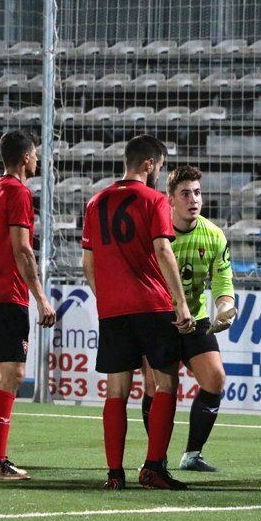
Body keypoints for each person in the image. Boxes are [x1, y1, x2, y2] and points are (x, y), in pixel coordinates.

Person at [82, 134, 195, 490]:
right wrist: (181, 302)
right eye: (160, 166)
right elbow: (163, 250)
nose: (160, 172)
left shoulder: (95, 202)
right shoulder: (154, 199)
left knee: (115, 389)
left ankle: (115, 474)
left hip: (113, 309)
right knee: (166, 382)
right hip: (151, 304)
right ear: (148, 164)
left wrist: (108, 298)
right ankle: (152, 469)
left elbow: (88, 262)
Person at [0, 130, 56, 480]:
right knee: (14, 374)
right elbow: (23, 249)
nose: (37, 160)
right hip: (9, 295)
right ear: (25, 158)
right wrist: (41, 297)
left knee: (1, 375)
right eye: (35, 155)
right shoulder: (18, 192)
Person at [140, 165, 237, 472]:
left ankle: (192, 455)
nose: (193, 199)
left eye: (197, 192)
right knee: (155, 387)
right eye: (185, 194)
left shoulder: (214, 235)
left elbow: (223, 283)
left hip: (195, 318)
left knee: (215, 378)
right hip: (157, 318)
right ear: (170, 199)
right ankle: (158, 456)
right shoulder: (155, 233)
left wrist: (225, 308)